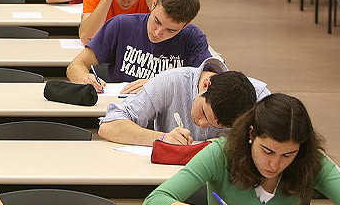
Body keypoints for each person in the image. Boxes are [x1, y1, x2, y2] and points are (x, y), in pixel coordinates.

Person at [141, 94, 340, 205]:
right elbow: (155, 203)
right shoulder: (220, 153)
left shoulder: (310, 160)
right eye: (267, 151)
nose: (275, 164)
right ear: (252, 134)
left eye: (288, 155)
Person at [67, 0, 212, 91]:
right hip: (120, 112)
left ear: (186, 25)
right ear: (154, 4)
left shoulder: (193, 38)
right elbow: (75, 66)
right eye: (157, 21)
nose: (158, 33)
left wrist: (159, 84)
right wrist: (84, 78)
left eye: (171, 30)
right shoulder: (121, 25)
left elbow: (209, 80)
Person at [98, 57, 269, 144]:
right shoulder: (170, 82)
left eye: (215, 126)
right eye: (203, 113)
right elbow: (109, 125)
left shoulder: (260, 98)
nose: (201, 124)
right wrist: (162, 138)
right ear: (206, 86)